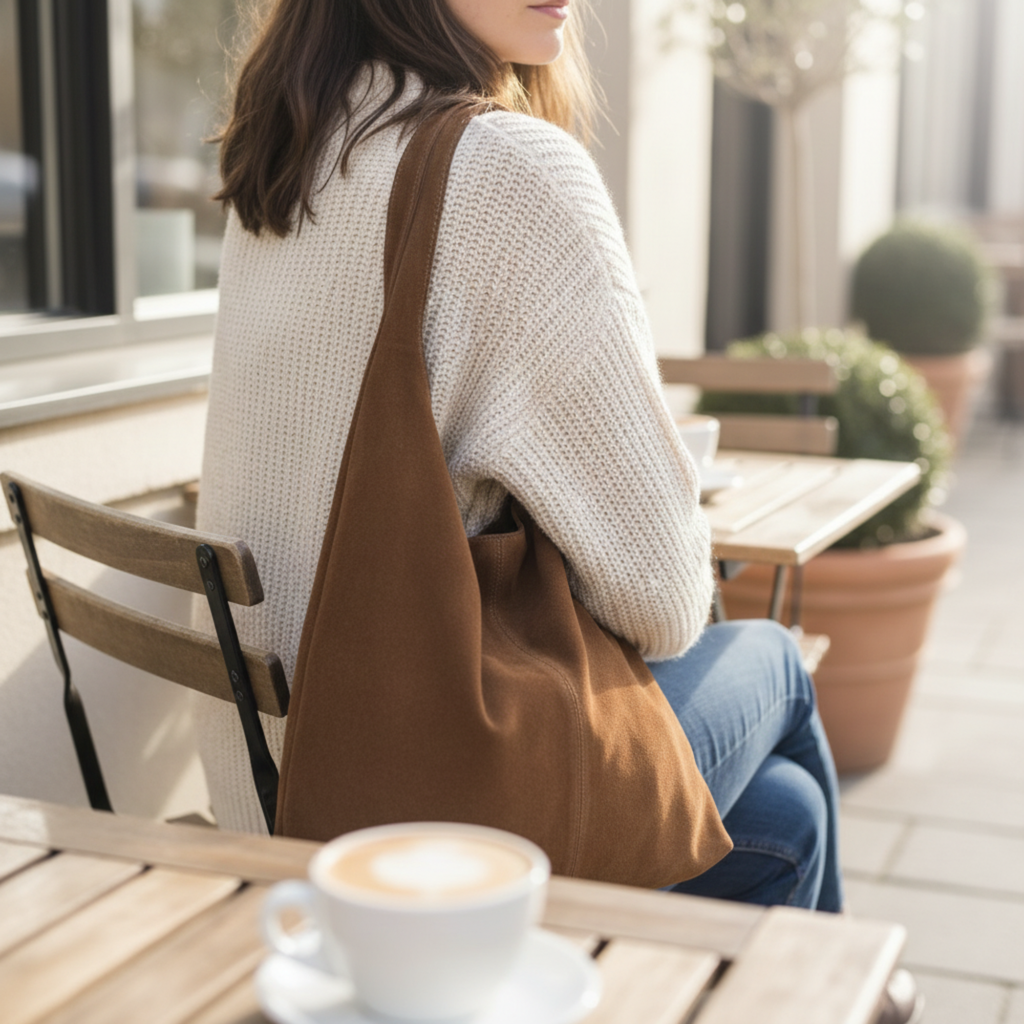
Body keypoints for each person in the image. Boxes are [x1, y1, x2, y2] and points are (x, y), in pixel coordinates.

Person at [194, 7, 918, 1015]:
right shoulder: (508, 171)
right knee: (777, 665)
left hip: (267, 790)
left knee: (784, 818)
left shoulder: (284, 156)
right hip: (411, 814)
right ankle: (857, 996)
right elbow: (667, 601)